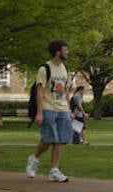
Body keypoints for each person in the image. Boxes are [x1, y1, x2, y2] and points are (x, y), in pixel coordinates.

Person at [25, 39, 73, 183]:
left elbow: (66, 91)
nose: (67, 52)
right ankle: (34, 159)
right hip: (48, 108)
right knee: (48, 140)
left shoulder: (66, 69)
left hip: (62, 109)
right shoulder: (45, 69)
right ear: (58, 52)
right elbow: (39, 92)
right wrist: (39, 113)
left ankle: (54, 170)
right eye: (65, 49)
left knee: (59, 142)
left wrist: (69, 109)